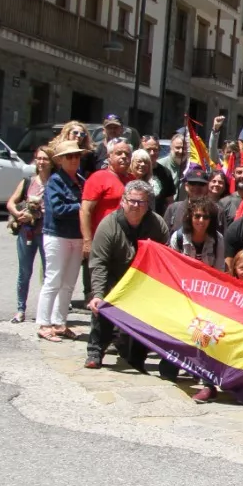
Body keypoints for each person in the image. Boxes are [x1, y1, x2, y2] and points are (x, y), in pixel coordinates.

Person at [85, 180, 167, 374]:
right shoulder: (108, 226)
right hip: (114, 279)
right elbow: (99, 264)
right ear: (123, 201)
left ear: (148, 205)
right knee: (102, 303)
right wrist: (97, 294)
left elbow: (163, 259)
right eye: (132, 201)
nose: (137, 206)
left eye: (142, 202)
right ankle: (95, 352)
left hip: (142, 282)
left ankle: (136, 358)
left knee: (146, 315)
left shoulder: (157, 225)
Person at [36, 141, 85, 342]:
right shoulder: (55, 181)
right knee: (53, 280)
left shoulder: (81, 180)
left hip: (76, 236)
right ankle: (43, 323)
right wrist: (82, 207)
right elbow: (57, 209)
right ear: (61, 160)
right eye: (69, 156)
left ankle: (59, 322)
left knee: (69, 283)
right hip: (57, 235)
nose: (74, 159)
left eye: (76, 156)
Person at [79, 140, 132, 299]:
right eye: (119, 153)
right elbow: (85, 210)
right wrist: (87, 240)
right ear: (109, 156)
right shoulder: (98, 178)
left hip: (125, 243)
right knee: (101, 287)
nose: (123, 157)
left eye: (127, 154)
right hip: (102, 241)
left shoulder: (132, 179)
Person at [7, 146, 51, 325]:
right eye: (38, 158)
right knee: (24, 272)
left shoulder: (55, 182)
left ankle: (45, 312)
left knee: (49, 273)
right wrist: (18, 215)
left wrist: (40, 214)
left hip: (47, 232)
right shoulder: (28, 182)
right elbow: (11, 202)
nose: (41, 162)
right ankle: (20, 310)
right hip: (27, 232)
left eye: (45, 159)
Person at [169, 195, 225, 274]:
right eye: (197, 216)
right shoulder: (177, 237)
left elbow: (219, 270)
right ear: (190, 217)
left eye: (206, 217)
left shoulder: (218, 239)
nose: (201, 220)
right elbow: (173, 268)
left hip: (208, 283)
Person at [164, 165, 210, 234]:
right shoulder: (173, 209)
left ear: (207, 187)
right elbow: (164, 236)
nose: (197, 187)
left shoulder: (216, 210)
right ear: (186, 186)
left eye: (201, 184)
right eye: (193, 183)